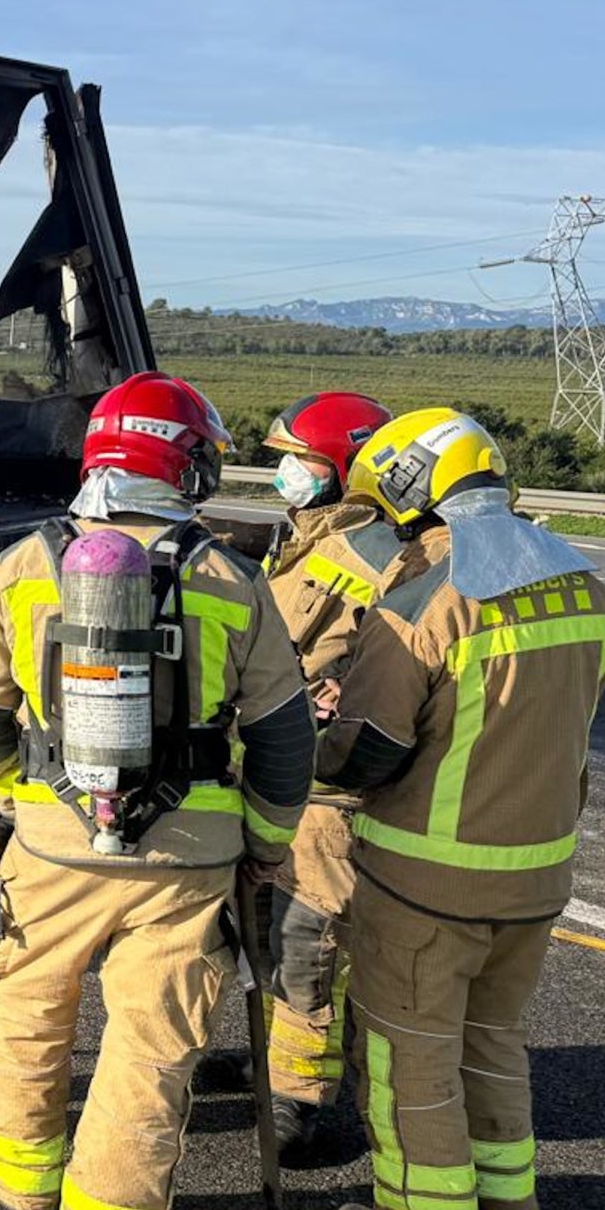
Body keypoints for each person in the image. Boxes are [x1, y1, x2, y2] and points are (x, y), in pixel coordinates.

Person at [0, 372, 314, 1210]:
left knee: (28, 1012)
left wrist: (14, 801)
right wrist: (267, 845)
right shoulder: (232, 577)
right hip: (189, 866)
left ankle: (26, 1192)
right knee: (151, 1052)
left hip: (52, 848)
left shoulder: (25, 564)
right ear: (179, 463)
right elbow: (281, 737)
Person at [317, 409, 605, 1210]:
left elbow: (371, 751)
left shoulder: (425, 599)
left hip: (426, 878)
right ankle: (507, 1208)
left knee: (406, 1052)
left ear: (412, 489)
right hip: (538, 873)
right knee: (492, 1038)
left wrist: (318, 739)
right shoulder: (588, 587)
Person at [255, 391, 407, 1160]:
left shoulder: (372, 553)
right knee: (266, 926)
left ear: (344, 470)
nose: (285, 472)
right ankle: (269, 1058)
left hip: (328, 789)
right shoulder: (304, 541)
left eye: (301, 460)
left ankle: (298, 1099)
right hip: (280, 768)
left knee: (309, 936)